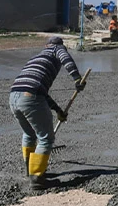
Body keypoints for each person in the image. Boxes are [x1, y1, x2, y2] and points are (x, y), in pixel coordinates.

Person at [9, 36, 86, 190]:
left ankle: (30, 172)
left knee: (29, 135)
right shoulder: (57, 49)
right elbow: (66, 59)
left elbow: (40, 92)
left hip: (13, 97)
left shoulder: (37, 57)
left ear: (46, 45)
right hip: (31, 96)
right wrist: (77, 79)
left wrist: (58, 110)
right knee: (46, 138)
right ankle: (37, 178)